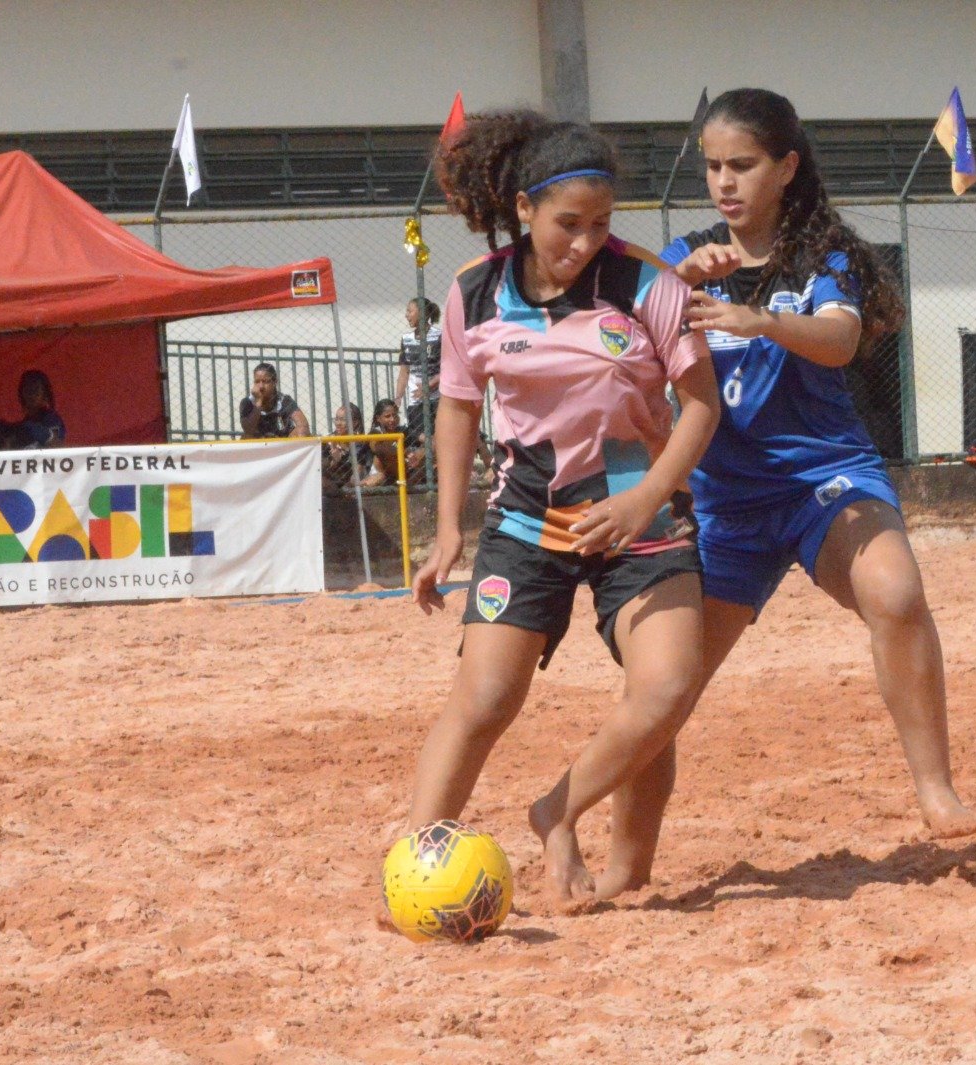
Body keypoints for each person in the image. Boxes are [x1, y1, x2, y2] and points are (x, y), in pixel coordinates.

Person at [579, 88, 976, 903]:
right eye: (714, 167)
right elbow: (619, 358)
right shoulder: (681, 257)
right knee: (662, 693)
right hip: (726, 505)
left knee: (896, 593)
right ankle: (627, 865)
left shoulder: (822, 257)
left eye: (743, 165)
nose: (725, 182)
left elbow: (840, 340)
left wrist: (760, 319)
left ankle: (935, 785)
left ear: (787, 167)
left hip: (823, 480)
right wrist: (673, 286)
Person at [397, 109, 719, 912]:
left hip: (641, 517)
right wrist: (447, 532)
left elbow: (703, 406)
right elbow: (458, 410)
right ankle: (412, 865)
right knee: (484, 697)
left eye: (601, 224)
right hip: (525, 522)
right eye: (567, 224)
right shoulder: (474, 291)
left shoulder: (647, 285)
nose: (584, 242)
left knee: (666, 689)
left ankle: (580, 831)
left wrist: (645, 496)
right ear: (523, 209)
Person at [395, 297, 444, 410]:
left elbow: (448, 368)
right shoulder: (406, 339)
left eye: (409, 311)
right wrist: (398, 398)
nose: (406, 315)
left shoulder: (439, 336)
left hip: (438, 399)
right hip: (415, 402)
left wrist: (429, 386)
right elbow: (404, 372)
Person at [238, 363, 310, 439]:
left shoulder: (284, 400)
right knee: (246, 437)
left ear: (275, 382)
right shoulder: (248, 402)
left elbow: (303, 424)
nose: (261, 386)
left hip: (282, 443)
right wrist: (258, 403)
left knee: (301, 430)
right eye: (257, 382)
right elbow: (248, 430)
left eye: (265, 381)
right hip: (259, 443)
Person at [322, 403, 373, 490]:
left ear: (355, 422)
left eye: (342, 420)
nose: (338, 423)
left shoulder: (360, 442)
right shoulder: (329, 440)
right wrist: (334, 460)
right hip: (331, 479)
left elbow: (358, 471)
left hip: (349, 481)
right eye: (336, 419)